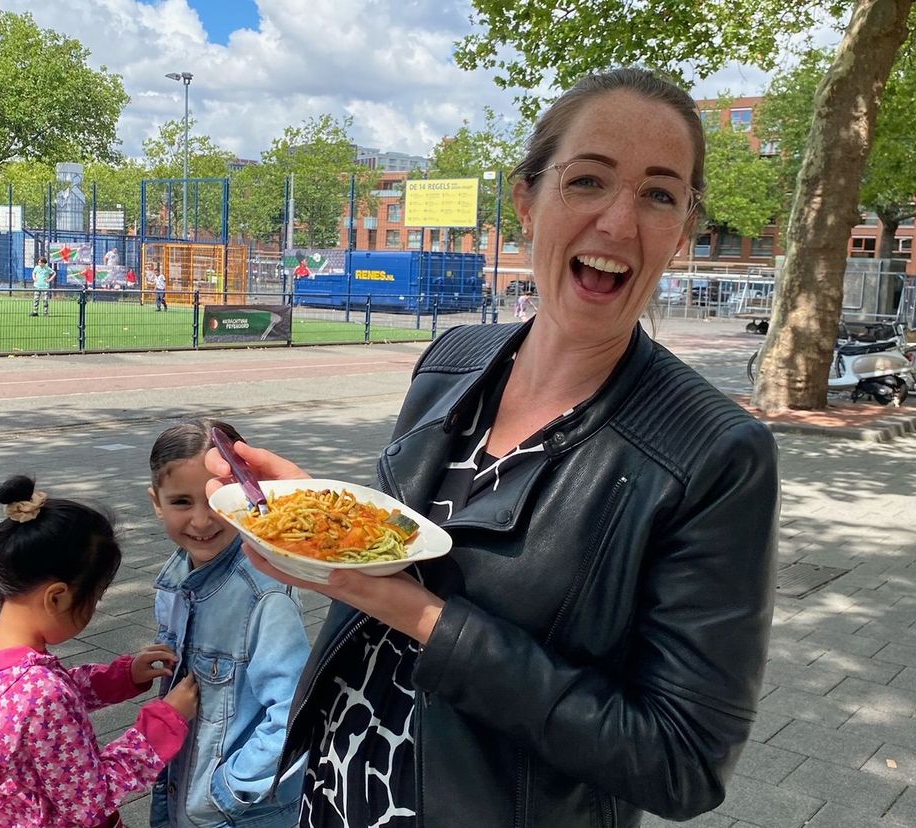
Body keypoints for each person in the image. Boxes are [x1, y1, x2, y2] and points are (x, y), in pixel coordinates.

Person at [207, 68, 780, 827]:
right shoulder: (453, 360)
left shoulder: (714, 453)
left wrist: (422, 618)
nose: (616, 221)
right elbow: (407, 549)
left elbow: (681, 762)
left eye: (659, 195)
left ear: (681, 232)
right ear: (526, 200)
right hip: (336, 790)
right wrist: (317, 517)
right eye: (588, 181)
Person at [0, 475, 200, 828]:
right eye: (95, 598)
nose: (94, 609)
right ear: (57, 597)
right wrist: (164, 721)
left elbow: (37, 709)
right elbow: (91, 798)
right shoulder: (41, 693)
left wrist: (122, 676)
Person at [147, 420, 309, 828]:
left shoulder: (265, 594)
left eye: (216, 500)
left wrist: (229, 789)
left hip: (234, 814)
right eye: (182, 502)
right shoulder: (175, 576)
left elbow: (295, 709)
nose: (202, 521)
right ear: (156, 502)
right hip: (182, 790)